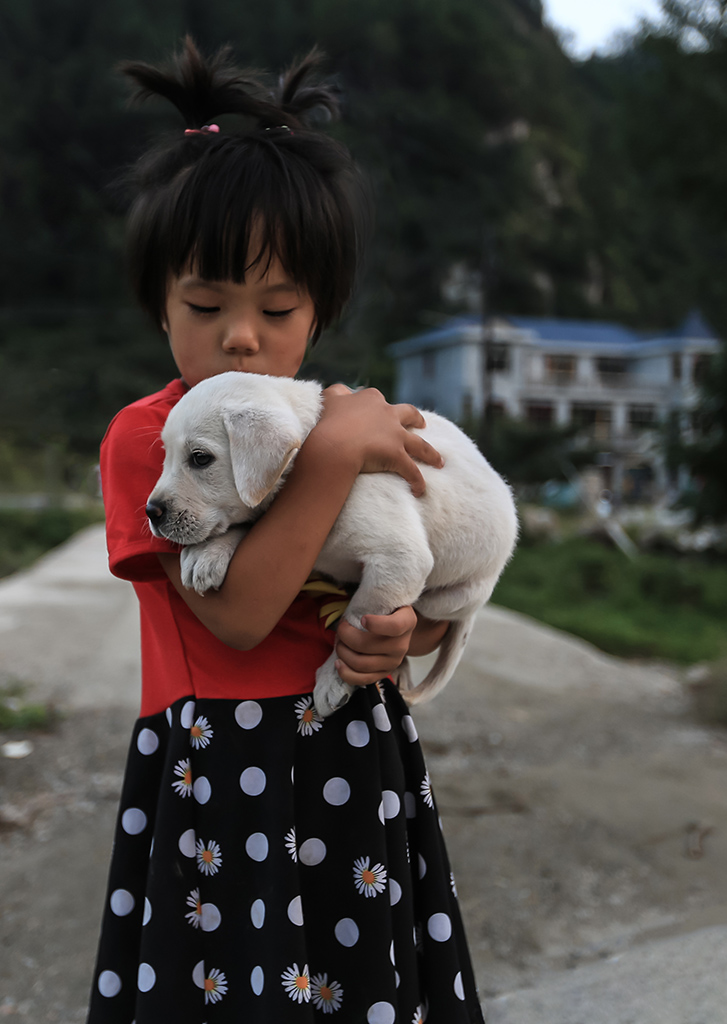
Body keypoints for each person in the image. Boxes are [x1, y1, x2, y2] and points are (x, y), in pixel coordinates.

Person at [88, 37, 485, 1024]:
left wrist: (407, 632)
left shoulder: (336, 422)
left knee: (359, 994)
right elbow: (239, 612)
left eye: (276, 306)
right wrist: (334, 454)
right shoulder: (156, 440)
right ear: (157, 301)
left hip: (354, 749)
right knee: (230, 990)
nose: (240, 336)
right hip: (221, 767)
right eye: (205, 303)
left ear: (320, 307)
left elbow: (424, 570)